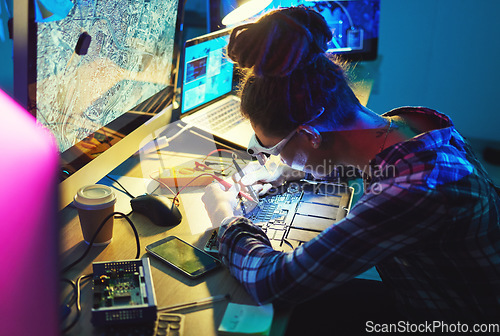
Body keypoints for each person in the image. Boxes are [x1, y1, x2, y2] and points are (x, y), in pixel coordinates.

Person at [201, 6, 500, 332]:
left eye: (273, 150)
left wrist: (225, 216)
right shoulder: (410, 126)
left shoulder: (414, 191)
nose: (273, 159)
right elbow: (351, 159)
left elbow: (274, 281)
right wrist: (286, 170)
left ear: (310, 135)